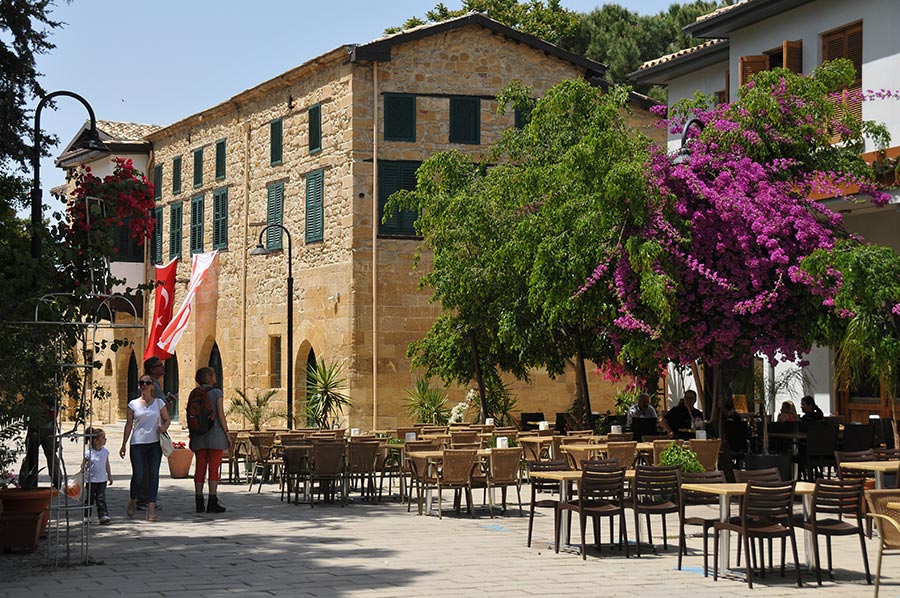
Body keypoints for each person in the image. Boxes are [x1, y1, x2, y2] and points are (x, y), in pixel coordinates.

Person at [120, 374, 170, 522]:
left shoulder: (159, 403)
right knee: (139, 475)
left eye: (148, 383)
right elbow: (128, 424)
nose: (144, 385)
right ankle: (133, 500)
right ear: (139, 385)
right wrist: (123, 444)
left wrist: (164, 427)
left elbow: (167, 419)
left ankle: (151, 509)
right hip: (137, 444)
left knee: (154, 475)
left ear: (152, 386)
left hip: (154, 444)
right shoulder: (133, 404)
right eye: (142, 383)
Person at [190, 367, 231, 514]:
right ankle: (212, 501)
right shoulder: (216, 393)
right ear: (209, 377)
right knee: (213, 468)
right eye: (213, 374)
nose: (215, 376)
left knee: (200, 467)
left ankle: (199, 501)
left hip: (198, 435)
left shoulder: (194, 393)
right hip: (215, 435)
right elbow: (220, 414)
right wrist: (227, 433)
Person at [84, 427, 113, 525]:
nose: (105, 440)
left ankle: (103, 515)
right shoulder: (89, 453)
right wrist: (84, 470)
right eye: (103, 438)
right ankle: (87, 515)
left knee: (101, 498)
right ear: (96, 441)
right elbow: (83, 465)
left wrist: (109, 475)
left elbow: (107, 464)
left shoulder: (105, 452)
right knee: (90, 498)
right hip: (91, 480)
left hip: (102, 479)